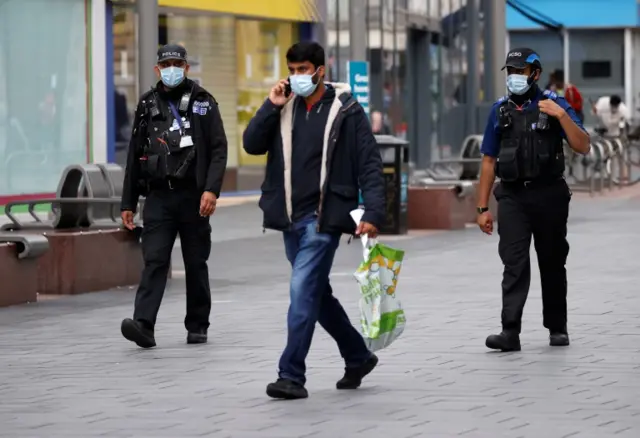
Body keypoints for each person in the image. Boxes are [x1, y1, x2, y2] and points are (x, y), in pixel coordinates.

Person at [242, 41, 385, 400]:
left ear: (320, 70)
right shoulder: (284, 106)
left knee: (301, 290)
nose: (296, 76)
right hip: (290, 216)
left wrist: (374, 212)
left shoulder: (346, 110)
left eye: (303, 69)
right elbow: (251, 144)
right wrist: (269, 106)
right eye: (292, 69)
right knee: (316, 293)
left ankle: (291, 374)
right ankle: (357, 355)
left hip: (325, 218)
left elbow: (369, 161)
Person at [476, 48, 590, 352]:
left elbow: (583, 145)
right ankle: (509, 331)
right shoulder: (499, 111)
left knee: (552, 261)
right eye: (510, 72)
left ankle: (557, 327)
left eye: (520, 71)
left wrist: (562, 115)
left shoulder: (554, 104)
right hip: (513, 196)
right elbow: (488, 161)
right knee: (513, 262)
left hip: (549, 194)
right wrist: (482, 208)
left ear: (535, 74)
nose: (514, 77)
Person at [120, 44, 228, 349]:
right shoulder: (146, 103)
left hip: (194, 196)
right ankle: (143, 325)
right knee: (154, 260)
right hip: (158, 198)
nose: (171, 69)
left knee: (196, 262)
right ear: (157, 69)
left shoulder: (203, 102)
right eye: (166, 64)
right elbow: (134, 154)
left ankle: (197, 325)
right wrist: (128, 202)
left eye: (177, 63)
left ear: (186, 67)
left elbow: (219, 148)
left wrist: (211, 189)